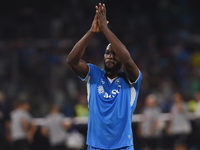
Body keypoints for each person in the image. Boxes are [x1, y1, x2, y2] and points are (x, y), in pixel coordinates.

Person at [67, 3, 142, 150]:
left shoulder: (132, 79)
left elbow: (127, 60)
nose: (110, 56)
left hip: (123, 146)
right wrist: (91, 32)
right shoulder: (94, 74)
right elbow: (72, 61)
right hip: (96, 146)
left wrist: (105, 30)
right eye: (107, 53)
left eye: (114, 54)